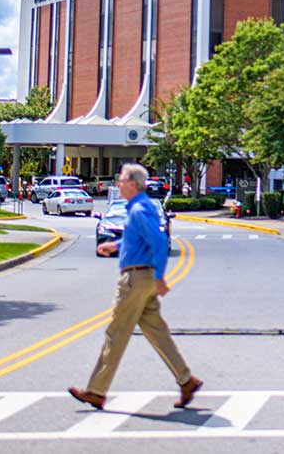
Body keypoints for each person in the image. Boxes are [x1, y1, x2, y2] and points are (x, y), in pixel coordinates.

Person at [69, 163, 202, 410]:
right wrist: (116, 246)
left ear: (132, 184)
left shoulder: (139, 210)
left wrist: (161, 276)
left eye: (120, 180)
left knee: (116, 332)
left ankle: (97, 391)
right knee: (156, 331)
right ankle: (186, 380)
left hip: (136, 279)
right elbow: (139, 240)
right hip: (144, 278)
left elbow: (160, 241)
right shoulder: (142, 208)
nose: (117, 184)